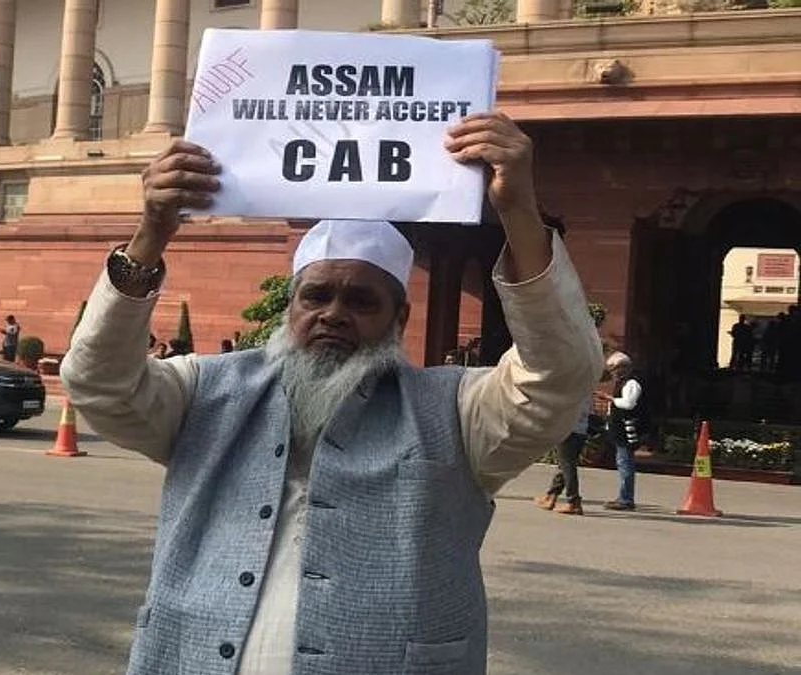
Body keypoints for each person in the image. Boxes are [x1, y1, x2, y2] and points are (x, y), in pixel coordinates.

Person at [61, 112, 603, 675]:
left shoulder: (457, 414)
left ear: (399, 318)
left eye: (361, 301)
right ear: (289, 305)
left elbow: (559, 377)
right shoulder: (208, 391)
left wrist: (518, 210)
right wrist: (150, 235)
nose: (333, 315)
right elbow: (98, 383)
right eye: (315, 296)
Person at [534, 392, 595, 515]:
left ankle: (573, 501)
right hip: (580, 430)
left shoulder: (574, 388)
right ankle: (551, 495)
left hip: (569, 430)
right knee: (564, 464)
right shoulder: (586, 389)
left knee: (567, 465)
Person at [601, 351, 644, 510]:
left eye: (614, 369)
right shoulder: (622, 383)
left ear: (623, 368)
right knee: (622, 463)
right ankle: (624, 496)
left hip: (627, 431)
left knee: (625, 464)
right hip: (619, 430)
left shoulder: (631, 383)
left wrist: (610, 399)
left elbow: (628, 404)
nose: (613, 373)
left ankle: (626, 498)